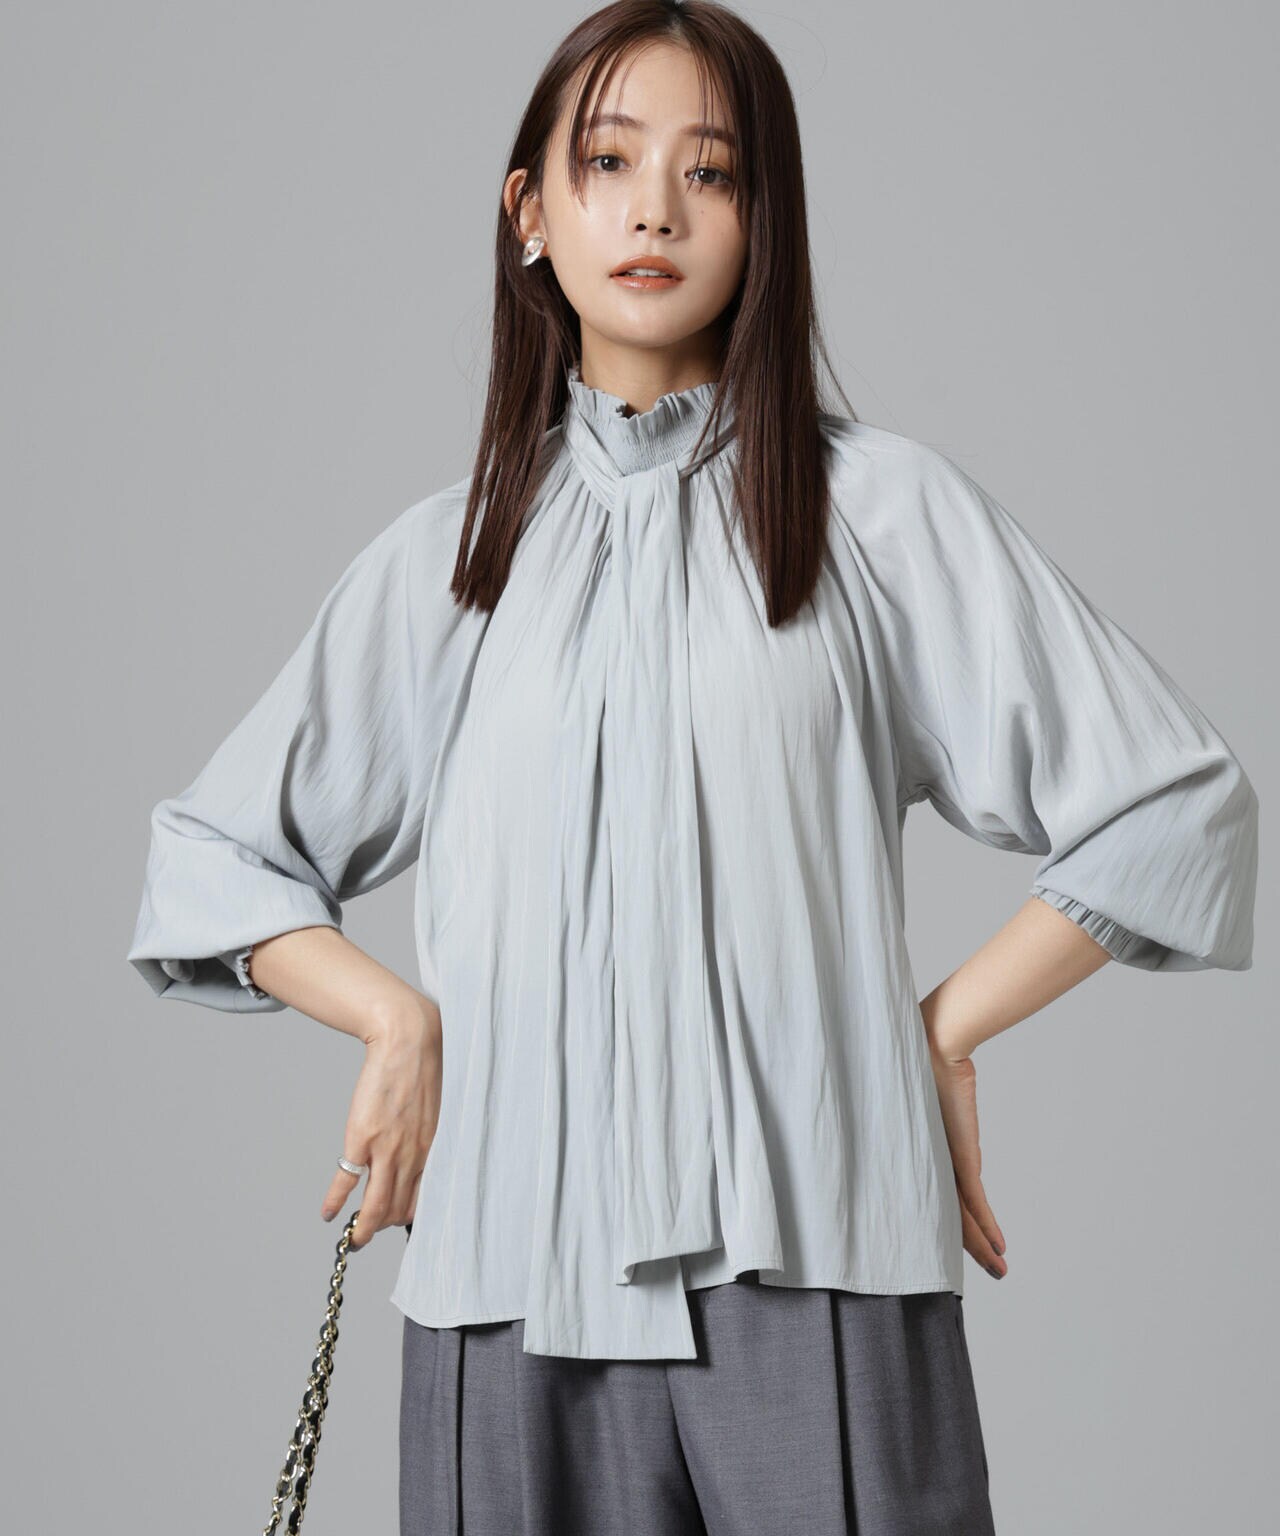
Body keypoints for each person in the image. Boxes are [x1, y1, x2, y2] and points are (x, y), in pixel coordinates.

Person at [126, 3, 1259, 1532]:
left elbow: (1176, 803)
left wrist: (934, 1036)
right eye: (607, 161)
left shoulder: (879, 520)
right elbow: (207, 858)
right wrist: (394, 1019)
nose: (653, 208)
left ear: (763, 221)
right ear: (530, 210)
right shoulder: (451, 564)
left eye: (709, 171)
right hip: (502, 1304)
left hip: (817, 1274)